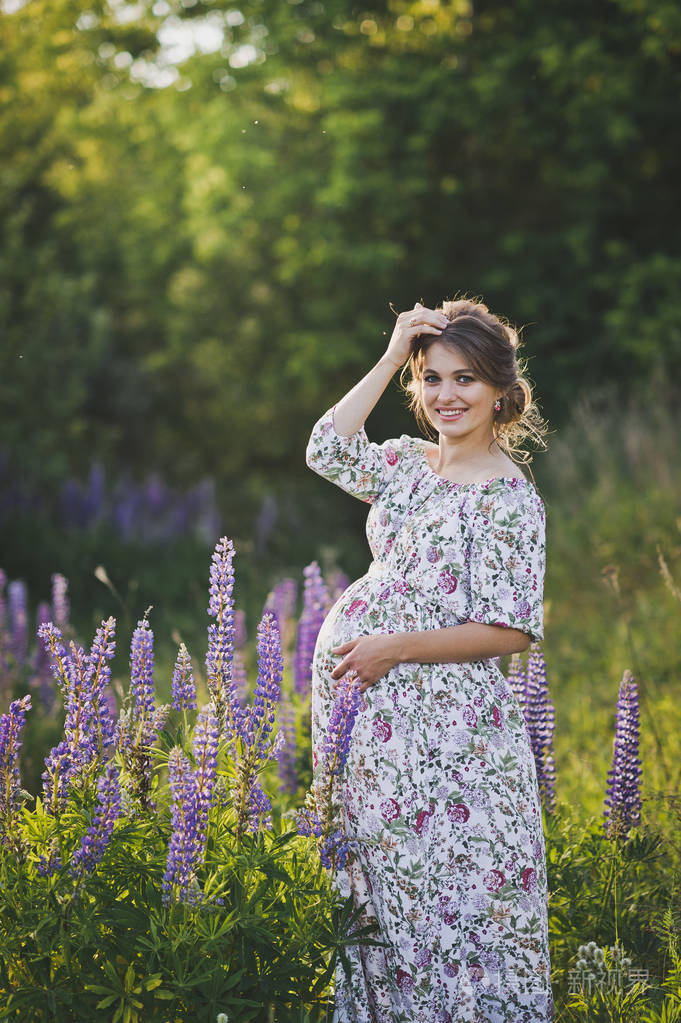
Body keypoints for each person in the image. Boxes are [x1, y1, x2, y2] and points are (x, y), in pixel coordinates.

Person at [305, 297, 554, 1023]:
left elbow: (509, 629)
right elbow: (324, 445)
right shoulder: (403, 466)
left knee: (459, 894)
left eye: (466, 379)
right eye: (431, 378)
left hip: (451, 739)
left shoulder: (509, 499)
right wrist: (390, 355)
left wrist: (393, 647)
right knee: (382, 897)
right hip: (371, 734)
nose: (446, 395)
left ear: (501, 392)